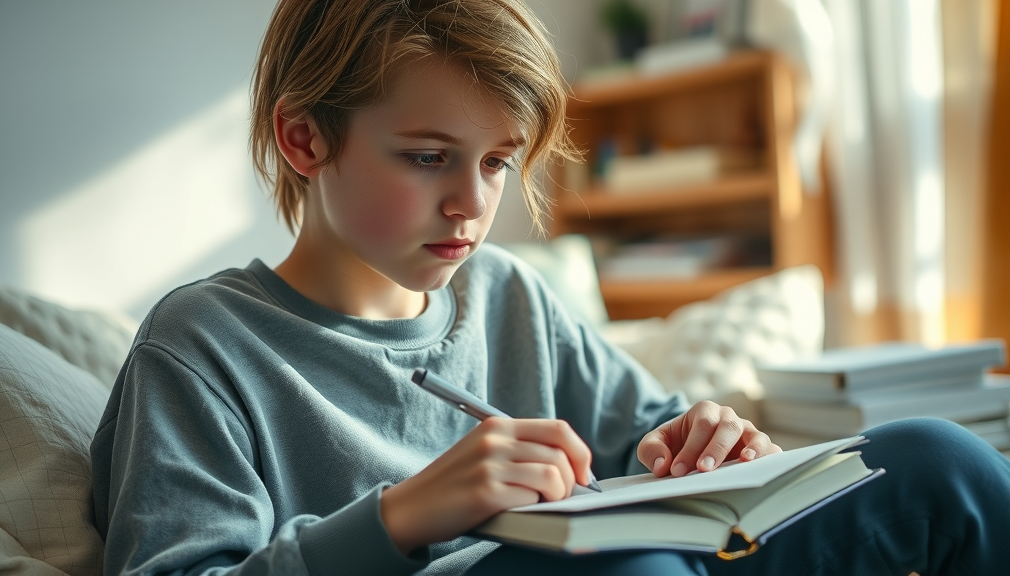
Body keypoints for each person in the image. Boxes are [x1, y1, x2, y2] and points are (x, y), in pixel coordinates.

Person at [89, 1, 1010, 575]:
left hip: (656, 562)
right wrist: (405, 515)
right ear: (304, 140)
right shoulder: (201, 344)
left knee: (936, 460)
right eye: (427, 158)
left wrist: (707, 439)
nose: (472, 204)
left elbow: (647, 434)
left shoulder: (508, 294)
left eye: (496, 163)